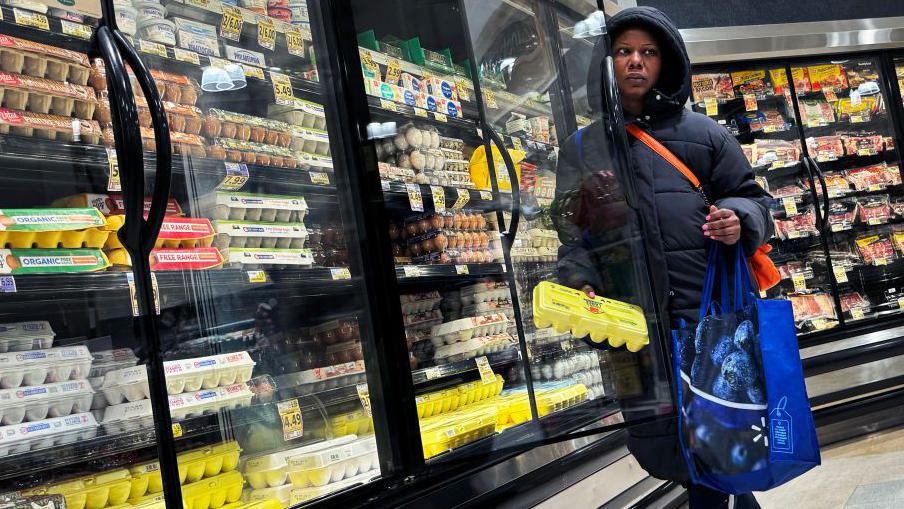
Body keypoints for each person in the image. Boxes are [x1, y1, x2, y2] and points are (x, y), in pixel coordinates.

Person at [554, 6, 773, 509]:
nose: (635, 62)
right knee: (677, 449)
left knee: (720, 446)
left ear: (666, 61)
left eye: (647, 53)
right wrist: (579, 277)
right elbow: (571, 232)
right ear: (605, 63)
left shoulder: (706, 136)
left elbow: (755, 199)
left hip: (708, 322)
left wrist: (739, 219)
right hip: (633, 329)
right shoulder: (582, 148)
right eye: (624, 51)